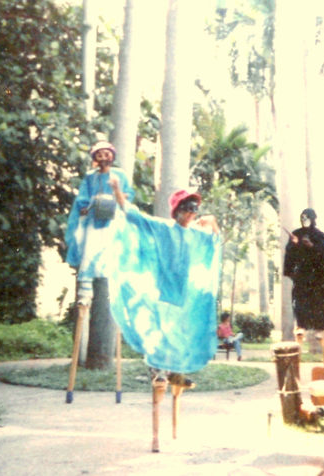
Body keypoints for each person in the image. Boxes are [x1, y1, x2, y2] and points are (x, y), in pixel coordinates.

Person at [108, 183, 221, 386]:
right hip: (162, 291)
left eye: (194, 208)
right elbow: (136, 217)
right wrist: (118, 195)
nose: (191, 213)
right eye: (187, 207)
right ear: (177, 210)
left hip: (184, 294)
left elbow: (216, 242)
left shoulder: (196, 235)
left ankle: (175, 373)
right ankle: (158, 371)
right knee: (161, 332)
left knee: (180, 334)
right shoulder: (163, 228)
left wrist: (212, 222)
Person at [65, 140, 134, 310]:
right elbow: (83, 197)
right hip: (94, 221)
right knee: (89, 251)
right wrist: (87, 205)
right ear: (95, 157)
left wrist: (122, 196)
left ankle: (116, 293)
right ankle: (85, 293)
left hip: (112, 220)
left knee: (113, 252)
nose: (103, 157)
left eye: (107, 153)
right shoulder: (90, 176)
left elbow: (129, 194)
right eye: (99, 154)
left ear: (112, 156)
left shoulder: (120, 175)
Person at [283, 208, 324, 346]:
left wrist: (311, 246)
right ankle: (301, 326)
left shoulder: (320, 236)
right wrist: (294, 245)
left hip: (318, 277)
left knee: (320, 302)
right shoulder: (296, 234)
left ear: (313, 219)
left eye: (307, 218)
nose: (304, 221)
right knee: (300, 301)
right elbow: (290, 255)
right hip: (302, 276)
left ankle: (320, 328)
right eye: (302, 218)